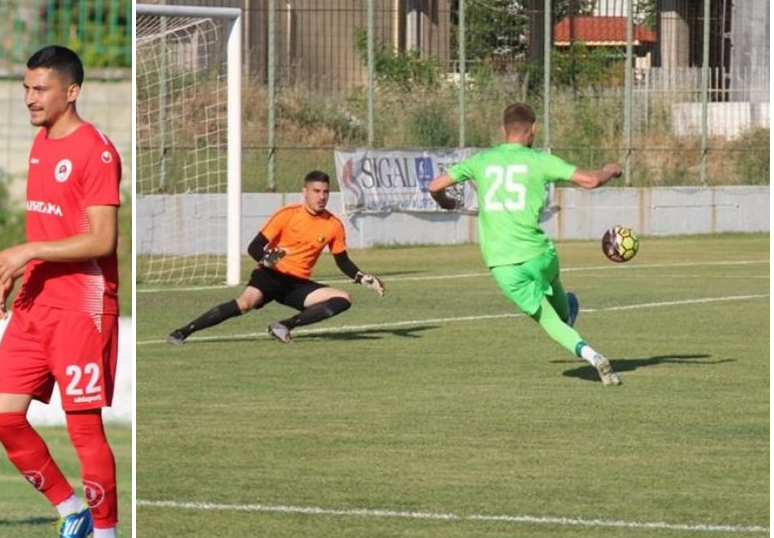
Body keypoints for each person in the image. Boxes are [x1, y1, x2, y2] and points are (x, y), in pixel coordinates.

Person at [0, 45, 126, 538]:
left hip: (82, 307)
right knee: (1, 416)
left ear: (72, 91)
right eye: (26, 89)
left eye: (39, 89)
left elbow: (102, 239)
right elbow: (51, 228)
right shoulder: (41, 144)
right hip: (35, 301)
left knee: (84, 428)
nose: (29, 99)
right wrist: (18, 269)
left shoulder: (97, 151)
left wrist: (28, 252)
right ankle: (72, 512)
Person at [427, 102, 623, 386]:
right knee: (557, 296)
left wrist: (446, 202)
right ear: (534, 129)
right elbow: (591, 181)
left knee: (547, 320)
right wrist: (610, 169)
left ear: (503, 129)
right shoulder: (539, 160)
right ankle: (568, 312)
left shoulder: (481, 160)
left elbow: (435, 185)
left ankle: (593, 356)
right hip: (539, 254)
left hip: (502, 263)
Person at [167, 170, 386, 345]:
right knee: (244, 304)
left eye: (326, 192)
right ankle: (183, 332)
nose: (321, 197)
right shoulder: (287, 215)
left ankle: (283, 326)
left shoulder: (333, 225)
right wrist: (269, 261)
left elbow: (342, 260)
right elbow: (255, 247)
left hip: (297, 284)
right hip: (270, 275)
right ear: (305, 192)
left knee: (342, 298)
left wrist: (361, 277)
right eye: (316, 191)